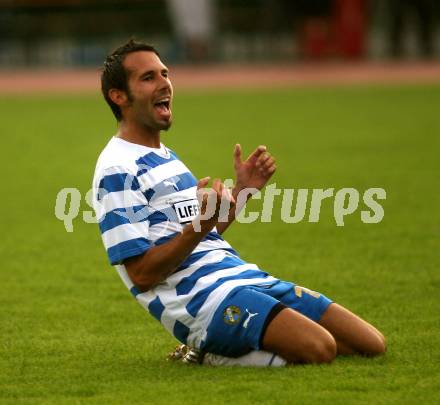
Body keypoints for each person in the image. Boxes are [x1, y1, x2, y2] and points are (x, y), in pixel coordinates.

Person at [93, 39, 386, 367]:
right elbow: (142, 275)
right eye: (148, 78)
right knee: (319, 348)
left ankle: (236, 344)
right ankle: (207, 351)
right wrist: (200, 225)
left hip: (241, 276)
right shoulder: (117, 168)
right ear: (118, 96)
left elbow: (202, 235)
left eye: (165, 73)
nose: (164, 83)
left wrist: (243, 192)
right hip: (204, 301)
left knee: (370, 344)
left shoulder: (166, 158)